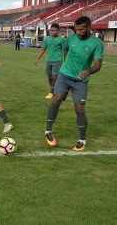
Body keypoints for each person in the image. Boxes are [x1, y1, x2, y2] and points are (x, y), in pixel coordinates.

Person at [43, 16, 103, 152]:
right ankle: (48, 131)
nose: (78, 32)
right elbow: (65, 49)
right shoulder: (70, 39)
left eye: (81, 30)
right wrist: (66, 64)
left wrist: (89, 71)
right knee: (56, 99)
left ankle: (82, 140)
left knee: (79, 108)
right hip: (64, 75)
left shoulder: (97, 43)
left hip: (81, 80)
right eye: (76, 29)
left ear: (89, 27)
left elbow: (98, 64)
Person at [34, 23, 65, 99]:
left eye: (55, 30)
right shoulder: (47, 39)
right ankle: (56, 90)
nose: (54, 32)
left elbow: (65, 50)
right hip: (49, 60)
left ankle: (52, 92)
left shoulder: (61, 40)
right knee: (49, 77)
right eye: (52, 30)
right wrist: (37, 58)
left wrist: (66, 60)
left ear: (58, 31)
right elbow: (43, 49)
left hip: (57, 60)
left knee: (55, 76)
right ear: (50, 31)